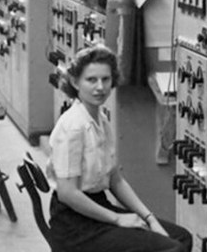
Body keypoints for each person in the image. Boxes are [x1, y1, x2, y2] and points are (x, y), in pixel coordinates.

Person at [47, 45, 192, 252]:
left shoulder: (101, 120)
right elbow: (68, 193)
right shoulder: (73, 126)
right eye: (91, 80)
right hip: (74, 224)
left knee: (181, 237)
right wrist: (117, 218)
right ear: (74, 82)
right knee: (170, 248)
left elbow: (116, 180)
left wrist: (149, 219)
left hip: (98, 207)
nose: (100, 87)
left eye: (105, 79)